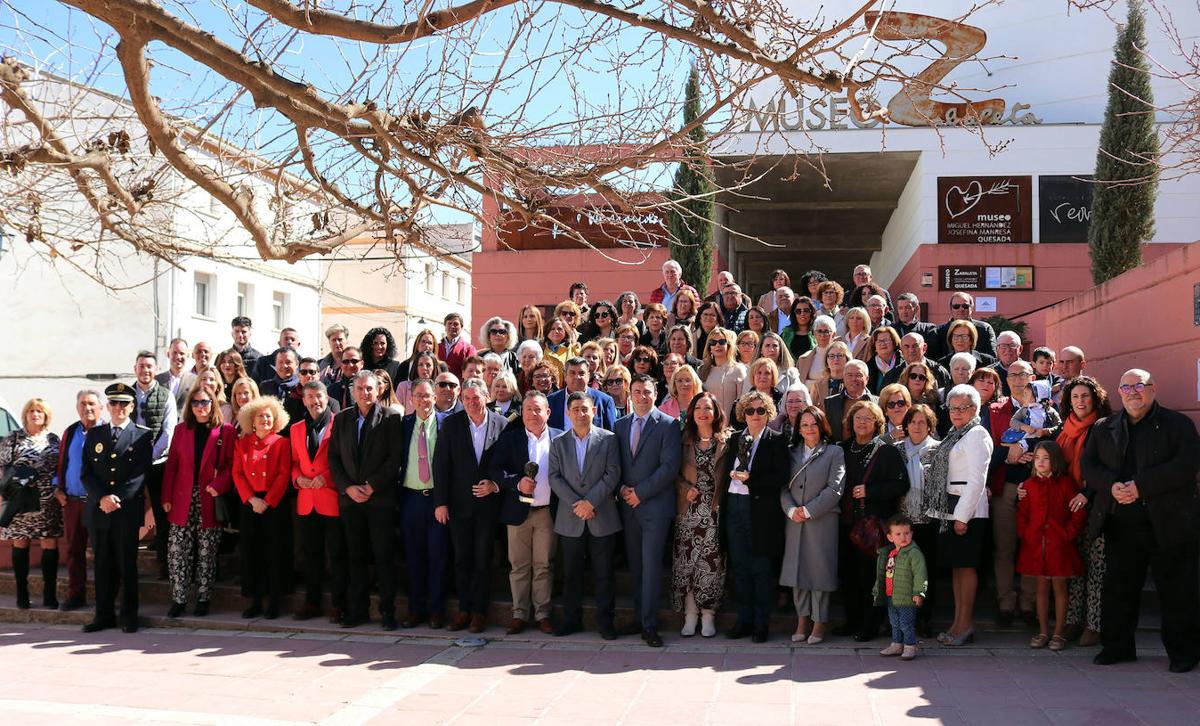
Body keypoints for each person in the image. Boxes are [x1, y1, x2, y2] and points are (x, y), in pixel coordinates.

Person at [1082, 369, 1200, 673]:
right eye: (1126, 387)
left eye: (1139, 386)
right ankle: (1117, 648)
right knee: (1119, 588)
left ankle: (1183, 654)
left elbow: (1186, 466)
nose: (1133, 392)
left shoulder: (1178, 424)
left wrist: (1141, 486)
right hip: (1122, 521)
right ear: (1119, 392)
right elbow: (1089, 465)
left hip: (1169, 522)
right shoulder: (1104, 426)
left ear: (1153, 389)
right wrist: (1111, 485)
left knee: (1178, 591)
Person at [328, 370, 403, 630]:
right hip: (351, 502)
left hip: (379, 500)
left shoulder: (391, 418)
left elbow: (394, 459)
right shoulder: (341, 419)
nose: (365, 393)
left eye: (369, 388)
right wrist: (347, 487)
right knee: (355, 558)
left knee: (384, 557)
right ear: (352, 391)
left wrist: (371, 486)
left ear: (378, 390)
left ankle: (387, 612)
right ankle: (357, 610)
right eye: (359, 389)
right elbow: (334, 459)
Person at [431, 378, 507, 633]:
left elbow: (509, 463)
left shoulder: (502, 424)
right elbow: (440, 465)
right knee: (462, 560)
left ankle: (479, 612)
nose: (472, 403)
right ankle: (464, 609)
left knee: (482, 560)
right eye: (467, 398)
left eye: (477, 397)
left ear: (487, 396)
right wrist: (440, 502)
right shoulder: (451, 424)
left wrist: (495, 483)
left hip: (488, 507)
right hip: (458, 505)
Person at [989, 359, 1060, 626]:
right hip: (1005, 483)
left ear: (1033, 378)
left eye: (1024, 375)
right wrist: (1009, 456)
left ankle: (1029, 601)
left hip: (1038, 485)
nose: (1019, 380)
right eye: (1014, 375)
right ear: (1006, 380)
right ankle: (1005, 601)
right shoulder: (995, 409)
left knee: (1034, 544)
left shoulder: (1049, 409)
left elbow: (1057, 438)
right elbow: (988, 446)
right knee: (1004, 546)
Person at [614, 374, 682, 647]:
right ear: (630, 393)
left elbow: (669, 467)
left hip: (654, 507)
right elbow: (613, 463)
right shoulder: (619, 425)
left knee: (652, 566)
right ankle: (639, 616)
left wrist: (640, 492)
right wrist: (621, 489)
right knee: (636, 566)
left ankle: (650, 624)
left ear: (656, 393)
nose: (643, 396)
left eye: (648, 391)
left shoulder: (668, 425)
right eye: (638, 391)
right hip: (627, 507)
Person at [80, 382, 153, 633]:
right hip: (99, 511)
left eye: (124, 403)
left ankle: (129, 615)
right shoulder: (95, 434)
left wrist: (117, 499)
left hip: (126, 511)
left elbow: (139, 474)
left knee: (127, 565)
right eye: (114, 403)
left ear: (132, 407)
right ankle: (103, 615)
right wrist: (102, 498)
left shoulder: (142, 435)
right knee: (102, 565)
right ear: (107, 406)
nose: (118, 408)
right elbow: (86, 474)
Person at [922, 384, 992, 647]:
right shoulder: (954, 433)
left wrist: (963, 516)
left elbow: (977, 479)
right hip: (948, 509)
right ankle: (957, 622)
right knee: (956, 569)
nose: (957, 413)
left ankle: (965, 624)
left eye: (963, 408)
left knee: (966, 567)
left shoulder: (977, 434)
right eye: (953, 408)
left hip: (967, 511)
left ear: (975, 409)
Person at [548, 392, 622, 639]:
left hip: (602, 515)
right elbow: (554, 477)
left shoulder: (609, 440)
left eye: (585, 409)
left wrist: (590, 501)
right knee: (571, 574)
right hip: (570, 518)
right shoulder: (558, 442)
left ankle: (605, 623)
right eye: (576, 409)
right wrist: (578, 504)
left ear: (595, 412)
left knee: (604, 575)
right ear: (568, 413)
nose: (581, 414)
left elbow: (612, 474)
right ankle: (571, 620)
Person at [488, 392, 561, 635]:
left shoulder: (560, 438)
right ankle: (519, 614)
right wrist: (517, 482)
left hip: (547, 512)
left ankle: (542, 614)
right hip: (518, 511)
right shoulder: (511, 439)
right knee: (518, 565)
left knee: (544, 565)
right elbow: (495, 470)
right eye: (528, 409)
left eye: (537, 409)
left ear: (548, 412)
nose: (532, 414)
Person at [836, 400, 909, 642]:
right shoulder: (843, 448)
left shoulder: (885, 451)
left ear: (877, 423)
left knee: (871, 578)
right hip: (846, 523)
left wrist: (870, 491)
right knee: (849, 575)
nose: (862, 422)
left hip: (873, 526)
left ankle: (870, 625)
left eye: (868, 418)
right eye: (858, 418)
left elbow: (901, 484)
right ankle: (852, 621)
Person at [161, 382, 236, 618]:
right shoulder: (182, 431)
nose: (200, 407)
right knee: (177, 550)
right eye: (195, 402)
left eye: (205, 402)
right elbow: (171, 465)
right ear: (190, 406)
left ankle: (203, 598)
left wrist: (218, 485)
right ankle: (179, 599)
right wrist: (166, 496)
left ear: (212, 404)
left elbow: (231, 467)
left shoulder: (226, 431)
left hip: (209, 497)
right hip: (182, 498)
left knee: (206, 551)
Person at [724, 390, 788, 643]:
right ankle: (744, 620)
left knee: (760, 569)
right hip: (734, 505)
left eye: (761, 410)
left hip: (760, 510)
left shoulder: (776, 439)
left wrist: (753, 481)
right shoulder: (735, 438)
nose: (755, 415)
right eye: (750, 410)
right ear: (743, 414)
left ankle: (761, 624)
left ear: (769, 413)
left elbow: (781, 476)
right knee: (739, 568)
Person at [781, 405, 845, 645]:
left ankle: (819, 623)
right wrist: (791, 510)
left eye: (813, 424)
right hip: (794, 520)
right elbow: (783, 487)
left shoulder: (833, 452)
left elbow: (835, 487)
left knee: (820, 573)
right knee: (797, 572)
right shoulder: (791, 452)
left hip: (822, 519)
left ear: (822, 426)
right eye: (804, 424)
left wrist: (809, 510)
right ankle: (802, 620)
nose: (809, 429)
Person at [1017, 441, 1087, 651]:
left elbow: (1078, 512)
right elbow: (1022, 514)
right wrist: (1026, 534)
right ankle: (1042, 631)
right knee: (1041, 588)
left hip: (1060, 547)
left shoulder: (1066, 484)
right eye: (1037, 458)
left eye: (1046, 458)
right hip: (1036, 546)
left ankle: (1058, 633)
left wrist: (1067, 535)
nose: (1040, 462)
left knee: (1060, 588)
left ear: (1055, 461)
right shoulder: (1028, 485)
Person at [1058, 376, 1111, 647]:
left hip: (1096, 506)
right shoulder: (1064, 428)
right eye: (1075, 396)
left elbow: (1107, 468)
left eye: (1085, 396)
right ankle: (1072, 621)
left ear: (1095, 399)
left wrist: (1087, 494)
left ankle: (1094, 624)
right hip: (1069, 506)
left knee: (1097, 567)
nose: (1080, 401)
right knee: (1074, 566)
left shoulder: (1104, 427)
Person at [672, 392, 731, 639]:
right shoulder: (682, 440)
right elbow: (670, 472)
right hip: (688, 512)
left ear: (716, 412)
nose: (702, 412)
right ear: (692, 413)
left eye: (707, 408)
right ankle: (690, 615)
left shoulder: (727, 441)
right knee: (686, 565)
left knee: (711, 567)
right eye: (698, 408)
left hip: (715, 513)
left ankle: (708, 615)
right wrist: (686, 489)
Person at [289, 380, 347, 624]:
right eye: (310, 397)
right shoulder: (296, 429)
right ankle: (312, 601)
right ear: (304, 400)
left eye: (319, 396)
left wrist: (326, 477)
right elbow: (294, 463)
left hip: (331, 497)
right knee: (310, 555)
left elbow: (345, 461)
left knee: (336, 555)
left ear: (327, 397)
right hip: (307, 500)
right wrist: (297, 478)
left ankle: (339, 604)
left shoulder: (340, 424)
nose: (315, 401)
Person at [397, 379, 451, 629]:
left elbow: (451, 467)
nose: (423, 400)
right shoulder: (402, 425)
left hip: (437, 501)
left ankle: (437, 610)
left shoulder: (447, 425)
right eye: (418, 396)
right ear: (411, 399)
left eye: (427, 396)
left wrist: (443, 501)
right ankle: (415, 609)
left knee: (438, 557)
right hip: (410, 500)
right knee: (414, 557)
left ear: (434, 398)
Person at [232, 395, 291, 620]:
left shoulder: (282, 442)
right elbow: (236, 473)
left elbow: (284, 473)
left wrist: (268, 501)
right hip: (250, 504)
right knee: (251, 553)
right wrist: (251, 499)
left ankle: (274, 601)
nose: (265, 420)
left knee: (274, 553)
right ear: (252, 420)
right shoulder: (242, 443)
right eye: (260, 416)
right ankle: (254, 600)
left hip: (273, 505)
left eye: (269, 416)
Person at [2, 398, 62, 610]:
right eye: (32, 411)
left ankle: (49, 594)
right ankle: (22, 594)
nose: (35, 414)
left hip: (47, 499)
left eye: (40, 411)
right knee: (21, 543)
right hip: (21, 499)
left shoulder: (53, 439)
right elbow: (2, 466)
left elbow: (60, 467)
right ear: (25, 414)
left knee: (49, 543)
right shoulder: (14, 438)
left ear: (46, 416)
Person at [53, 390, 104, 611]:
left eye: (92, 403)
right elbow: (62, 462)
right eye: (83, 404)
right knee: (74, 551)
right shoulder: (70, 431)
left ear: (101, 407)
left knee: (103, 553)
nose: (87, 408)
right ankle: (76, 595)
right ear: (77, 408)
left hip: (99, 504)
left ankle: (105, 598)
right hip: (72, 502)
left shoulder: (108, 432)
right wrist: (58, 487)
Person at [131, 351, 177, 580]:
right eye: (141, 366)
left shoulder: (165, 395)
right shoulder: (125, 394)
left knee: (161, 513)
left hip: (158, 463)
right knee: (130, 512)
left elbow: (168, 432)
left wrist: (148, 457)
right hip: (129, 465)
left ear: (155, 368)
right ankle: (127, 561)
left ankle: (164, 564)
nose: (145, 370)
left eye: (149, 366)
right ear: (135, 368)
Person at [898, 404, 940, 636]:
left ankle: (924, 619)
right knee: (902, 573)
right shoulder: (896, 450)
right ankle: (902, 620)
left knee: (925, 572)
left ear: (929, 426)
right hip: (902, 522)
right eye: (913, 421)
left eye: (922, 422)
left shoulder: (938, 450)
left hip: (928, 521)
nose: (917, 426)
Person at [874, 515, 928, 661]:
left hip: (907, 597)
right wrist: (878, 590)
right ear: (890, 537)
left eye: (906, 533)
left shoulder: (914, 554)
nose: (903, 537)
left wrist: (919, 592)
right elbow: (884, 574)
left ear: (912, 534)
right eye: (898, 534)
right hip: (891, 596)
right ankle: (896, 644)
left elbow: (920, 575)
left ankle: (910, 646)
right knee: (894, 622)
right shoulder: (890, 553)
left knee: (906, 623)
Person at [547, 357, 618, 431]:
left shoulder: (604, 401)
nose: (577, 377)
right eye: (572, 373)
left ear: (588, 375)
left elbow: (612, 434)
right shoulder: (551, 401)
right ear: (565, 376)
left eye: (581, 373)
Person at [929, 293, 998, 361]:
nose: (961, 309)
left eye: (965, 306)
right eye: (956, 306)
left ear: (971, 307)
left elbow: (992, 357)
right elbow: (933, 359)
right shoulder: (938, 332)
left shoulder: (984, 329)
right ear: (951, 308)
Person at [698, 327, 746, 419]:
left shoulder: (739, 369)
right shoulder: (701, 370)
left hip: (731, 425)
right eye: (713, 343)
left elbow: (742, 402)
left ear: (728, 345)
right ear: (709, 347)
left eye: (722, 342)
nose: (717, 345)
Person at [823, 359, 876, 442]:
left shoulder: (877, 403)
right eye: (849, 375)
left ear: (867, 379)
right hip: (839, 452)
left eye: (858, 375)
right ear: (843, 378)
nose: (854, 379)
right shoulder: (830, 403)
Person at [883, 332, 951, 390]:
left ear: (924, 348)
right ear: (901, 350)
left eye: (915, 346)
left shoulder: (939, 372)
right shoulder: (892, 376)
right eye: (906, 346)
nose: (911, 350)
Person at [156, 338, 197, 413]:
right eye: (174, 353)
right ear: (168, 354)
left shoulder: (195, 381)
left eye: (182, 353)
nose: (178, 357)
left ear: (187, 355)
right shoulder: (157, 381)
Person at [796, 314, 837, 387]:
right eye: (819, 331)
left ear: (833, 334)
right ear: (814, 334)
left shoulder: (841, 356)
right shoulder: (803, 358)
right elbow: (798, 385)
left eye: (827, 331)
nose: (822, 335)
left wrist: (810, 383)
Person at [807, 341, 850, 406]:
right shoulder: (817, 386)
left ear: (847, 359)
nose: (836, 359)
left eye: (840, 355)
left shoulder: (852, 383)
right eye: (832, 356)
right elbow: (811, 410)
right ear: (826, 361)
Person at [438, 313, 477, 379]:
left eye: (456, 324)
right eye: (449, 323)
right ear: (445, 326)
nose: (452, 326)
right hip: (438, 386)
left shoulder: (469, 349)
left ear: (461, 327)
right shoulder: (436, 347)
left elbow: (472, 370)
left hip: (458, 387)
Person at [865, 327, 901, 395]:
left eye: (886, 340)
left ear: (894, 342)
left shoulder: (903, 365)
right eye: (879, 341)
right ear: (874, 345)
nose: (883, 343)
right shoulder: (868, 367)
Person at [990, 331, 1026, 396]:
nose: (1008, 350)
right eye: (1003, 346)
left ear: (1020, 349)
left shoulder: (1032, 370)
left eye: (1012, 345)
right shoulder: (989, 372)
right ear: (997, 350)